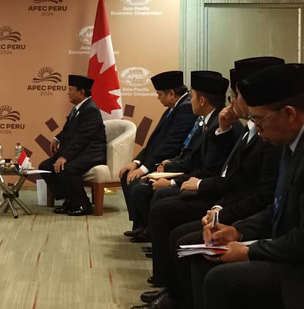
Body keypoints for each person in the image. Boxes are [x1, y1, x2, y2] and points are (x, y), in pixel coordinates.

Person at [135, 58, 283, 309]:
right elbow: (231, 171)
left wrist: (224, 215)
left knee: (179, 230)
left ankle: (177, 296)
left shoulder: (270, 136)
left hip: (244, 213)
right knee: (174, 223)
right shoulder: (238, 127)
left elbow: (251, 189)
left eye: (234, 96)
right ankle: (174, 293)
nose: (231, 103)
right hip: (231, 203)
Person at [191, 63, 304, 309]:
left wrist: (248, 251)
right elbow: (277, 208)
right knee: (207, 259)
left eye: (258, 120)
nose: (257, 129)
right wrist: (237, 231)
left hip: (296, 264)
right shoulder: (288, 143)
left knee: (220, 280)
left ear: (290, 114)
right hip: (283, 247)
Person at [120, 71, 198, 239]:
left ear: (171, 94)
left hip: (170, 163)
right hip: (156, 159)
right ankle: (141, 224)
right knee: (127, 174)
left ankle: (149, 229)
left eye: (159, 94)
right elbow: (154, 142)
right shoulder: (173, 108)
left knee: (137, 184)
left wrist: (145, 169)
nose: (158, 98)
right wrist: (136, 161)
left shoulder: (185, 109)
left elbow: (171, 144)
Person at [38, 75, 107, 216]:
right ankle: (70, 200)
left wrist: (64, 156)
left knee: (66, 168)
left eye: (70, 90)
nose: (68, 93)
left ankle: (83, 204)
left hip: (91, 153)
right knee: (45, 167)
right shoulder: (79, 108)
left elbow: (83, 137)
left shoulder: (91, 109)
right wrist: (57, 137)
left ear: (81, 92)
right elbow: (69, 130)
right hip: (80, 151)